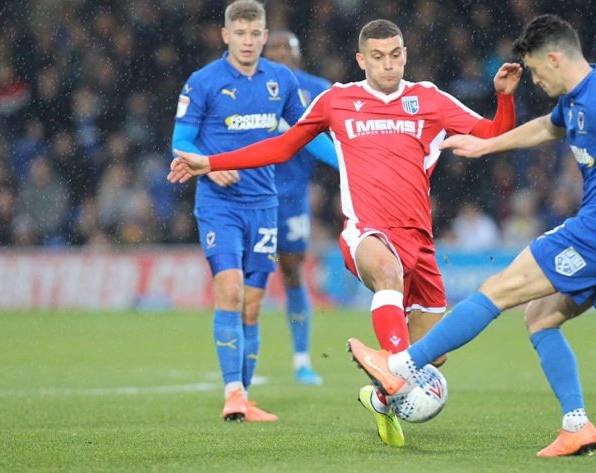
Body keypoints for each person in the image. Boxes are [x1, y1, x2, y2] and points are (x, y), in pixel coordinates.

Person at [346, 14, 596, 457]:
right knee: (541, 318)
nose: (533, 77)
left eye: (534, 68)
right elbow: (547, 128)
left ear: (555, 58)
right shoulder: (580, 97)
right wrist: (487, 144)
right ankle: (577, 425)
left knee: (496, 290)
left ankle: (398, 365)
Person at [168, 19, 522, 447]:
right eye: (378, 57)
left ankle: (381, 395)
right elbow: (283, 145)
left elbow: (493, 132)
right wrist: (213, 162)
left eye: (395, 55)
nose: (388, 65)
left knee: (434, 354)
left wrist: (504, 98)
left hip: (420, 242)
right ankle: (390, 373)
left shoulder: (428, 99)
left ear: (405, 55)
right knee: (387, 274)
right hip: (367, 233)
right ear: (361, 59)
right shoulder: (338, 100)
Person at [170, 0, 337, 423]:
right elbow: (182, 142)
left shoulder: (281, 81)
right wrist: (210, 167)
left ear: (264, 36)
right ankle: (233, 395)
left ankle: (244, 396)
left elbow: (303, 136)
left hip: (265, 205)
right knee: (229, 291)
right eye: (239, 34)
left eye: (254, 34)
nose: (247, 41)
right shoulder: (202, 82)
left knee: (254, 304)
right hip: (219, 204)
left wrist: (349, 165)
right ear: (226, 36)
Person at [263, 30, 336, 386]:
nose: (280, 53)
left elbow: (335, 139)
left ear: (298, 54)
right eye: (273, 48)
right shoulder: (249, 86)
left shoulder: (316, 88)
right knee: (251, 277)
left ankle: (302, 360)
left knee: (292, 271)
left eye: (287, 47)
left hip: (292, 200)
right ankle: (243, 363)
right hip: (252, 196)